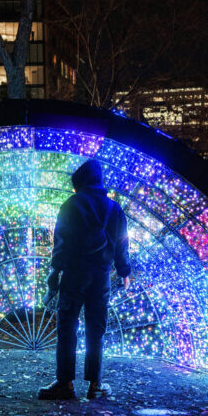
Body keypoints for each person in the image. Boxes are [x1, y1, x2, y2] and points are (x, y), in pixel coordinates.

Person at [38, 159, 130, 401]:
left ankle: (64, 383)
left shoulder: (71, 204)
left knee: (67, 327)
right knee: (95, 329)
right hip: (101, 276)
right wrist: (123, 271)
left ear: (79, 183)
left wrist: (56, 270)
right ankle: (95, 384)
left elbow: (61, 242)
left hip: (74, 274)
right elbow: (122, 243)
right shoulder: (114, 208)